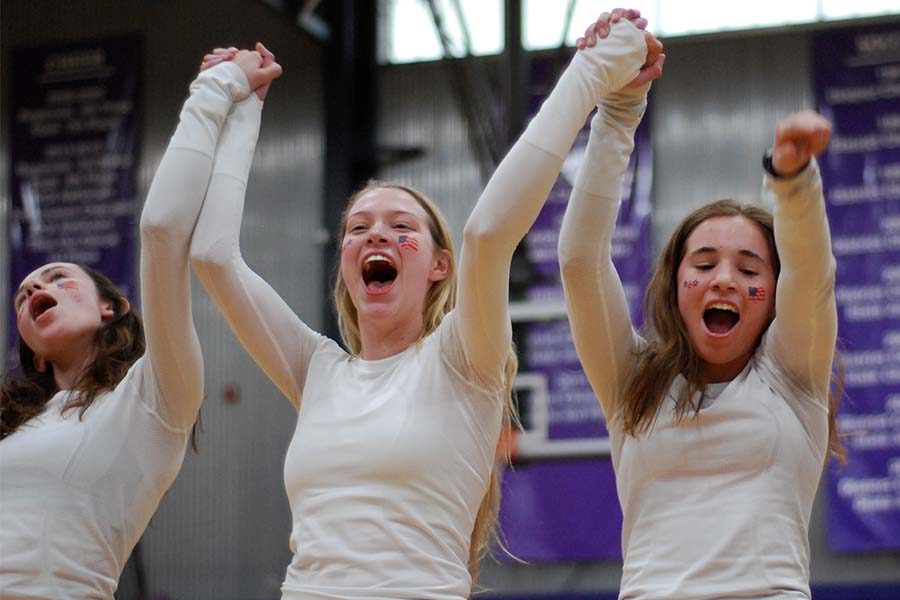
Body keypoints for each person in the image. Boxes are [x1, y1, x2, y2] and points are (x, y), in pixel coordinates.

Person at [189, 13, 663, 599]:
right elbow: (212, 256)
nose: (375, 236)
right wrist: (238, 110)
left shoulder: (464, 355)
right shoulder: (316, 369)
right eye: (357, 228)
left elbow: (488, 235)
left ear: (439, 265)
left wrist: (595, 78)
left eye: (399, 226)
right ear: (344, 261)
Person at [559, 13, 841, 597]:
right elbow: (580, 262)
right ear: (674, 282)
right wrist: (618, 114)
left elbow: (812, 276)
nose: (724, 281)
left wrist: (792, 184)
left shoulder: (795, 378)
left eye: (748, 268)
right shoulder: (630, 381)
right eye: (705, 263)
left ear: (773, 297)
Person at [0, 48, 280, 598]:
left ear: (113, 307)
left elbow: (162, 230)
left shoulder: (154, 398)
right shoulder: (10, 425)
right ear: (31, 352)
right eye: (23, 294)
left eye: (57, 277)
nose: (36, 288)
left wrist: (227, 92)